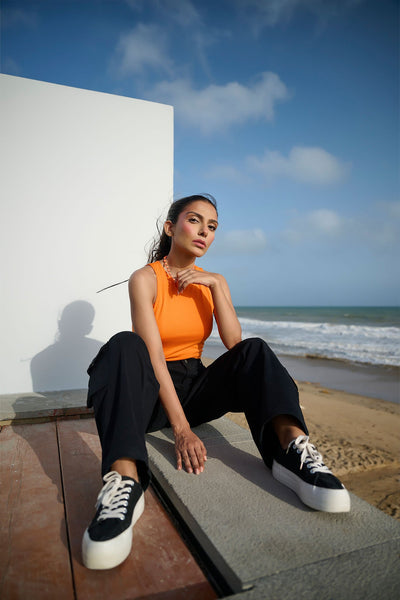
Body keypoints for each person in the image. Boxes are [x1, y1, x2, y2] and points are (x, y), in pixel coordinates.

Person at [82, 194, 350, 570]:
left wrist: (216, 286)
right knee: (124, 345)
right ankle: (125, 481)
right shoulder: (146, 278)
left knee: (256, 349)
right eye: (195, 221)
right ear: (171, 227)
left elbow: (236, 346)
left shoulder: (212, 281)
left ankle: (290, 451)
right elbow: (154, 356)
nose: (204, 232)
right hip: (150, 395)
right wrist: (181, 429)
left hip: (196, 385)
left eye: (212, 227)